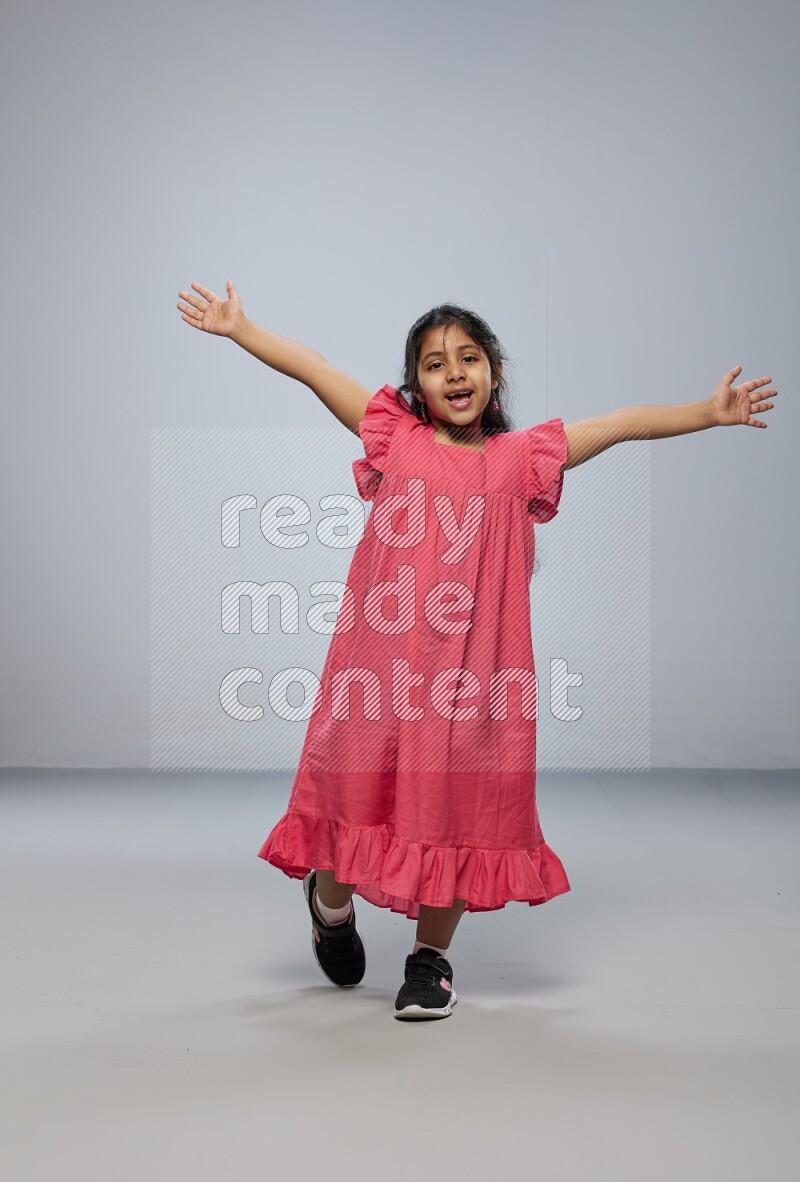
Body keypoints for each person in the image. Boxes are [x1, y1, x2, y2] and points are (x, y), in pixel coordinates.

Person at [177, 279, 777, 1021]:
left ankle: (429, 961)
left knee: (460, 809)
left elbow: (622, 423)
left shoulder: (526, 457)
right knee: (350, 801)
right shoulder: (394, 436)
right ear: (414, 385)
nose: (454, 373)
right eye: (434, 363)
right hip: (382, 671)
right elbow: (312, 366)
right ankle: (329, 906)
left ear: (493, 372)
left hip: (478, 677)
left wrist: (706, 415)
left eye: (468, 358)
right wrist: (243, 329)